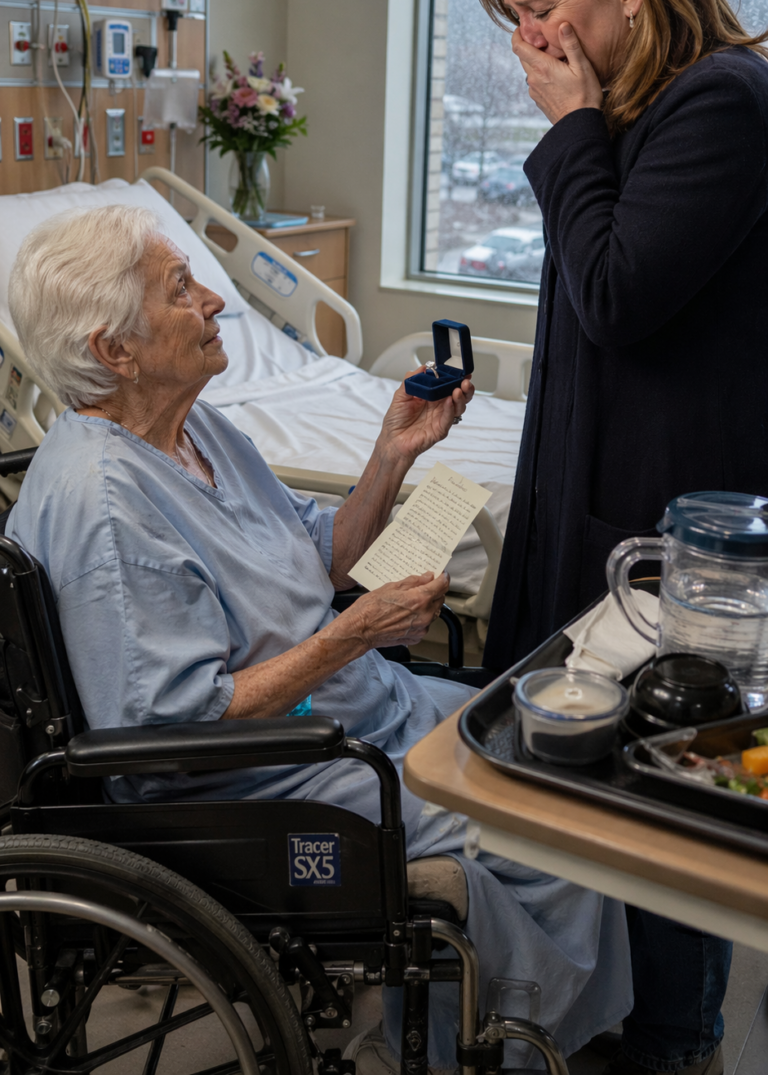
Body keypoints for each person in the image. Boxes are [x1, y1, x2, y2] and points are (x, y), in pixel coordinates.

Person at [6, 203, 632, 1075]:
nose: (216, 300)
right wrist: (350, 637)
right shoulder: (110, 507)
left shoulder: (196, 429)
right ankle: (505, 1044)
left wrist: (393, 453)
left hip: (364, 709)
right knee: (543, 819)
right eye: (181, 287)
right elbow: (171, 729)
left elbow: (324, 554)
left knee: (558, 748)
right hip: (277, 773)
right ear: (116, 349)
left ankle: (539, 1030)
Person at [473, 0, 768, 1075]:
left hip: (669, 545)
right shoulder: (650, 111)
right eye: (513, 21)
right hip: (601, 506)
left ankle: (673, 1046)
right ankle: (614, 1023)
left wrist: (573, 128)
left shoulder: (723, 104)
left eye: (545, 7)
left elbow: (615, 295)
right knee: (604, 810)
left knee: (661, 820)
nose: (532, 40)